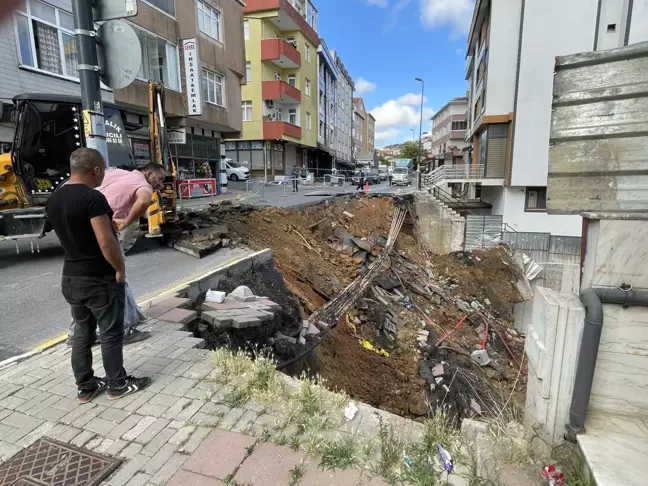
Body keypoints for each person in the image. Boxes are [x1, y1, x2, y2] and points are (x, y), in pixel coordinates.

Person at [46, 148, 151, 403]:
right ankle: (117, 384)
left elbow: (71, 233)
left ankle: (86, 387)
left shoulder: (54, 199)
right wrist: (119, 270)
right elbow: (106, 242)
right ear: (95, 170)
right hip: (98, 279)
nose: (103, 176)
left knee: (83, 334)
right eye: (102, 171)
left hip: (71, 277)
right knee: (110, 334)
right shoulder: (93, 198)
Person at [67, 163, 166, 345]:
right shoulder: (143, 185)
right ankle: (125, 330)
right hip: (105, 232)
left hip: (85, 231)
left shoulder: (116, 173)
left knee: (86, 283)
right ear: (148, 173)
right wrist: (126, 222)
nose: (160, 184)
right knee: (118, 281)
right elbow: (144, 201)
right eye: (159, 179)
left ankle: (77, 334)